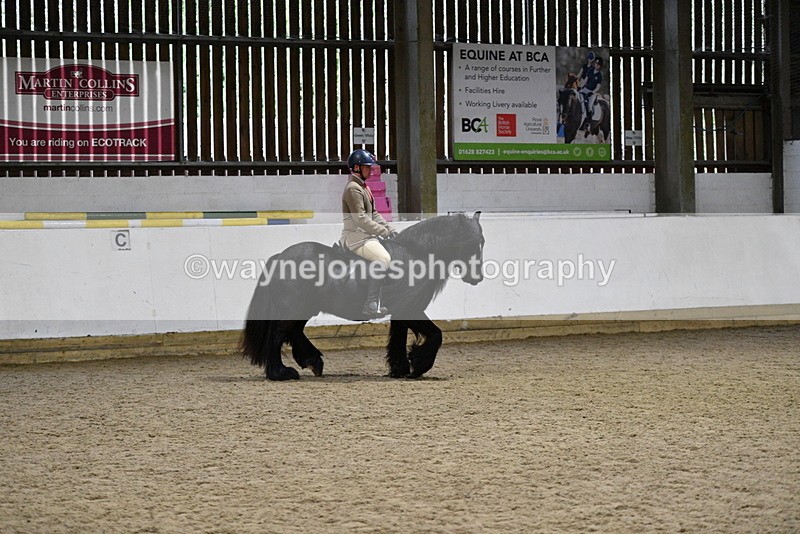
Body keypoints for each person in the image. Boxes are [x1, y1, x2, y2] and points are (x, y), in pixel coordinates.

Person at [341, 149, 397, 318]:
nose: (370, 170)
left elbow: (374, 214)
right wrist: (383, 232)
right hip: (355, 237)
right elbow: (361, 219)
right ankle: (371, 303)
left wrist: (390, 229)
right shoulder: (353, 189)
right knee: (383, 258)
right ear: (356, 167)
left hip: (366, 235)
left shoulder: (364, 187)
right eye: (367, 167)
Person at [578, 54, 603, 129]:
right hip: (585, 89)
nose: (596, 65)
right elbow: (585, 80)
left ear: (600, 66)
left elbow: (598, 87)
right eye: (596, 63)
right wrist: (580, 87)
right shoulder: (590, 70)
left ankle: (588, 123)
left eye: (598, 64)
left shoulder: (599, 76)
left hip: (592, 92)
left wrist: (592, 92)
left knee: (589, 106)